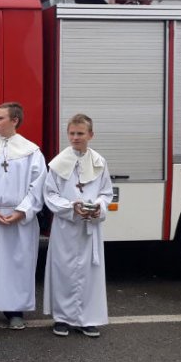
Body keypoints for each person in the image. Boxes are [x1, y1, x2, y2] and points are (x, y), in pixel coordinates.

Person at [0, 102, 46, 330]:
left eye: (0, 118)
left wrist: (22, 210)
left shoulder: (31, 151)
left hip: (19, 217)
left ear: (14, 120)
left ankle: (15, 311)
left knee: (17, 264)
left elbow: (38, 184)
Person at [43, 114, 113, 338]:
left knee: (89, 272)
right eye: (72, 133)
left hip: (89, 227)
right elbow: (50, 194)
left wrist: (97, 207)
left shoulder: (99, 162)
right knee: (64, 270)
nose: (75, 137)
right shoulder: (58, 163)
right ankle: (62, 318)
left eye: (80, 133)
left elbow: (106, 192)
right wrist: (71, 207)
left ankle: (88, 319)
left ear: (90, 135)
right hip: (66, 227)